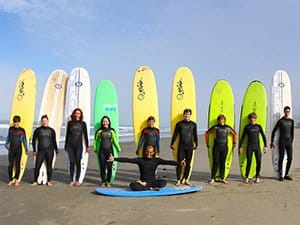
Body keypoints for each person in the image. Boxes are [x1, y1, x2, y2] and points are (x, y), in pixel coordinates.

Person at [108, 145, 182, 191]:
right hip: (143, 182)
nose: (149, 154)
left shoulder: (156, 160)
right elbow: (128, 160)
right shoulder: (140, 160)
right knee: (132, 185)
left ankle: (149, 187)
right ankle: (150, 188)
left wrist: (179, 163)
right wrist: (114, 159)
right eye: (147, 152)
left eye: (151, 152)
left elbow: (168, 162)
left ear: (153, 152)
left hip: (153, 182)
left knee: (163, 182)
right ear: (145, 151)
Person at [205, 114, 238, 184]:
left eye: (222, 119)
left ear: (224, 120)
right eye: (220, 120)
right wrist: (207, 143)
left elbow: (235, 134)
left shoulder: (228, 128)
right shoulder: (215, 127)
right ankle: (212, 178)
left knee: (223, 163)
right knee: (215, 162)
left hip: (224, 147)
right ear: (218, 121)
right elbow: (207, 134)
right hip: (216, 147)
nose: (221, 121)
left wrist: (234, 143)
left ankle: (222, 178)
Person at [170, 108, 198, 186]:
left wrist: (196, 143)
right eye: (185, 114)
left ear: (190, 115)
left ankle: (186, 179)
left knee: (188, 164)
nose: (187, 115)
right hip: (181, 146)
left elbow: (195, 135)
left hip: (190, 146)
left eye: (188, 114)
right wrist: (172, 143)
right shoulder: (179, 124)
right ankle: (178, 180)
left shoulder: (193, 124)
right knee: (179, 163)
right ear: (184, 115)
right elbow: (175, 134)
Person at [239, 112, 267, 183]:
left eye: (254, 118)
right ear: (249, 119)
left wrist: (265, 146)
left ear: (256, 119)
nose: (252, 120)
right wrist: (240, 146)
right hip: (249, 147)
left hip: (257, 147)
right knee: (249, 162)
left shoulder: (259, 126)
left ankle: (257, 177)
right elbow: (242, 137)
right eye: (251, 118)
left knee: (259, 162)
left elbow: (263, 136)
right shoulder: (247, 127)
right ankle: (247, 177)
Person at [65, 108, 90, 187]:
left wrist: (87, 146)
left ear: (81, 115)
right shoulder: (70, 123)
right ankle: (71, 180)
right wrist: (66, 145)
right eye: (76, 113)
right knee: (72, 162)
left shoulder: (83, 124)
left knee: (78, 162)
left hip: (79, 146)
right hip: (70, 145)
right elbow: (67, 135)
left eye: (79, 113)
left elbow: (85, 135)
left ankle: (78, 180)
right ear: (74, 114)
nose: (77, 114)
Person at [94, 116, 121, 187]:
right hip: (101, 151)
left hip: (110, 151)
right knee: (102, 166)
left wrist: (118, 148)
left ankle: (108, 182)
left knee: (109, 167)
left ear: (109, 122)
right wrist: (95, 148)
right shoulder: (99, 131)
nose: (105, 122)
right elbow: (96, 140)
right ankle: (103, 181)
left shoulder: (112, 130)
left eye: (106, 121)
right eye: (103, 121)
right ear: (102, 123)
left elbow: (115, 140)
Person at [32, 115, 58, 187]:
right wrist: (34, 150)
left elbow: (54, 141)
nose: (44, 122)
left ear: (48, 121)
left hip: (50, 151)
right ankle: (35, 181)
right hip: (40, 151)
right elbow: (34, 140)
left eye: (45, 121)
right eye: (43, 121)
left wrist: (56, 150)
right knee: (37, 166)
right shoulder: (38, 130)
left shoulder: (52, 130)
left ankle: (49, 181)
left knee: (49, 167)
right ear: (41, 122)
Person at [270, 106, 294, 181]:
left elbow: (292, 132)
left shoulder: (291, 121)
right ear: (284, 112)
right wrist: (271, 141)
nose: (287, 113)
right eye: (286, 111)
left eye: (288, 111)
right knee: (281, 157)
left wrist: (291, 141)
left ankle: (286, 174)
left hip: (289, 142)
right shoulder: (280, 121)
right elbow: (274, 131)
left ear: (289, 112)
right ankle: (280, 175)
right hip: (282, 142)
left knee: (290, 158)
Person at [5, 115, 29, 186]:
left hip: (19, 149)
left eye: (17, 122)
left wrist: (26, 149)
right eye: (15, 122)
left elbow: (24, 140)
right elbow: (8, 138)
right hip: (11, 149)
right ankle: (11, 179)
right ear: (13, 122)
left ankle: (17, 180)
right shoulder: (11, 129)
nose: (16, 124)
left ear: (19, 122)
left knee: (17, 165)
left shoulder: (22, 130)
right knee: (10, 164)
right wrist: (6, 145)